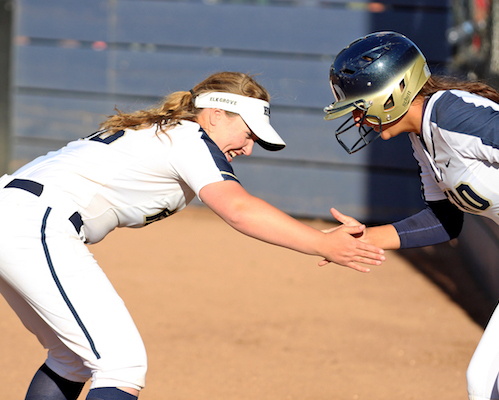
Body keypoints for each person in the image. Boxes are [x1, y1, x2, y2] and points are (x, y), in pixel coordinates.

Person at [0, 71, 386, 400]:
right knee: (122, 364)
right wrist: (322, 242)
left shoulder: (165, 131)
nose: (249, 149)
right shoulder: (190, 137)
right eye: (249, 134)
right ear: (215, 115)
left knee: (71, 358)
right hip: (33, 224)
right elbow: (238, 209)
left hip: (18, 217)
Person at [322, 31, 499, 400]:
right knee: (483, 383)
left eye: (360, 106)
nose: (358, 119)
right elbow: (444, 221)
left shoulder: (452, 114)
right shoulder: (423, 135)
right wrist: (364, 239)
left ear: (391, 95)